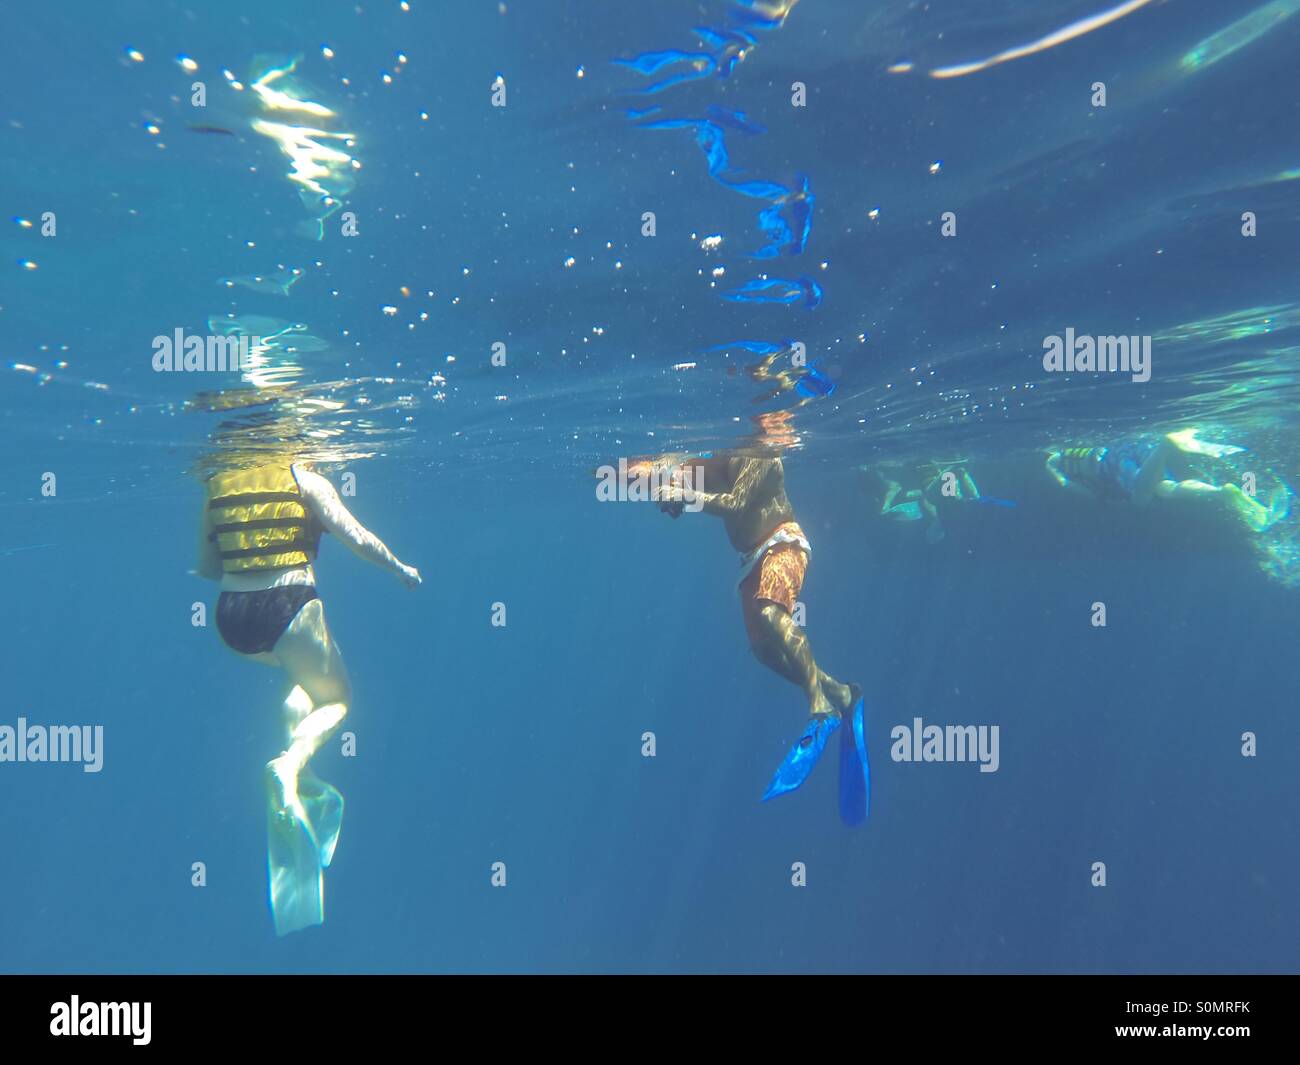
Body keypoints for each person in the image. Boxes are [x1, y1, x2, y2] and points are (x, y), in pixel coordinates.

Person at [196, 458, 420, 935]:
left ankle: (306, 778)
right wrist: (400, 567)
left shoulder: (217, 482)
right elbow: (358, 539)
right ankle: (292, 765)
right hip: (288, 608)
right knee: (338, 699)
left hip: (231, 620)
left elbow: (206, 566)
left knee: (301, 681)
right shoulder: (306, 478)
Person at [632, 450, 870, 821]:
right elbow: (684, 485)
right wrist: (671, 493)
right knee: (762, 648)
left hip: (784, 543)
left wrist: (685, 495)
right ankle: (842, 695)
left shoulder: (759, 455)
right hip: (754, 557)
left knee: (772, 613)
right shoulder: (710, 458)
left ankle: (821, 709)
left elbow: (733, 503)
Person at [1045, 428, 1288, 531]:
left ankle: (1167, 444)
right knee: (1166, 488)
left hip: (1112, 463)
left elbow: (1066, 484)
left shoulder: (1053, 461)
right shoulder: (1080, 441)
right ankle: (1220, 492)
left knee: (1140, 498)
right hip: (1130, 447)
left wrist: (1098, 499)